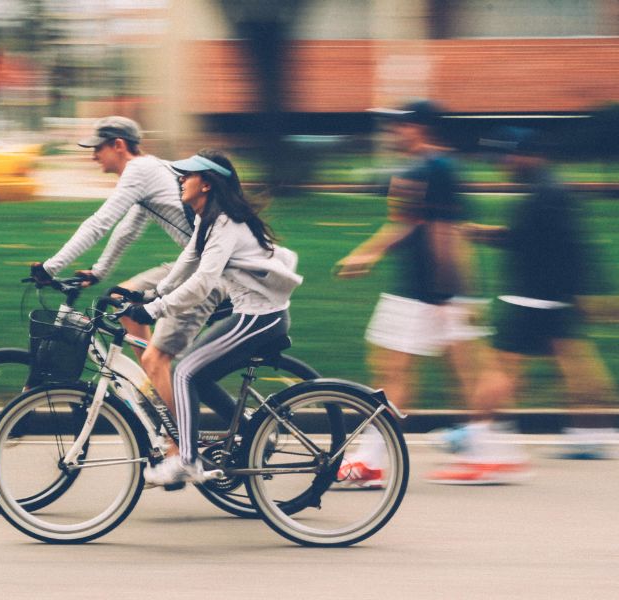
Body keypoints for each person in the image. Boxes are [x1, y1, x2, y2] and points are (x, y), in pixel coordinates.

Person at [438, 127, 617, 477]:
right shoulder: (550, 187)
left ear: (529, 154)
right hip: (552, 297)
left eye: (509, 155)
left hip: (530, 297)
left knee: (500, 367)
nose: (504, 163)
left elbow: (527, 241)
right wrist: (583, 293)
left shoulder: (545, 193)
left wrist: (477, 232)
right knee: (576, 361)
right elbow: (568, 245)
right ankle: (591, 433)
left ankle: (476, 437)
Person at [29, 116, 229, 424]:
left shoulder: (139, 171)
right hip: (195, 262)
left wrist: (50, 266)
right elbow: (127, 230)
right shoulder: (149, 171)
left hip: (210, 271)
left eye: (98, 148)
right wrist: (98, 272)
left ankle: (179, 440)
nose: (93, 155)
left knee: (158, 358)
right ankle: (153, 389)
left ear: (118, 145)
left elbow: (100, 223)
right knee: (123, 299)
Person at [334, 100, 492, 486]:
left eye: (399, 126)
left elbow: (447, 231)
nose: (393, 132)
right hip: (421, 291)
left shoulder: (438, 168)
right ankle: (482, 451)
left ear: (420, 128)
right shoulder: (421, 168)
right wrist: (367, 254)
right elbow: (407, 225)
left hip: (432, 292)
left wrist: (448, 294)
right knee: (397, 370)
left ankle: (483, 453)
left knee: (451, 372)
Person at [123, 149, 303, 486]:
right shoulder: (209, 221)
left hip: (260, 319)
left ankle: (187, 461)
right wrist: (152, 293)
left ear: (206, 184)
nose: (180, 180)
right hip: (253, 316)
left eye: (187, 176)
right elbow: (187, 263)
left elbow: (203, 283)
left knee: (185, 373)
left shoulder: (226, 223)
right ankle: (250, 431)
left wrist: (154, 310)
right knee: (198, 377)